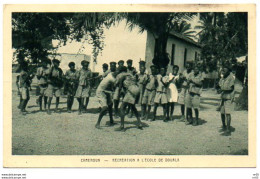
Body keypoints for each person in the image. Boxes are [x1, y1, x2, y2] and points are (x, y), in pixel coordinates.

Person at [115, 67, 143, 131]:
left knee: (122, 108)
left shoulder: (121, 76)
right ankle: (139, 123)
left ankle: (122, 126)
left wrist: (118, 96)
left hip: (130, 92)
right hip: (136, 91)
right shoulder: (131, 75)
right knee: (133, 107)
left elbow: (119, 87)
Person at [218, 66, 235, 136]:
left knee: (227, 113)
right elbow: (219, 86)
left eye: (224, 71)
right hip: (223, 97)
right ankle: (224, 126)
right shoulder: (222, 78)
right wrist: (218, 88)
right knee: (222, 113)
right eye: (222, 70)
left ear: (228, 71)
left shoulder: (231, 78)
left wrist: (222, 90)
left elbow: (231, 89)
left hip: (228, 98)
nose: (223, 72)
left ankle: (228, 130)